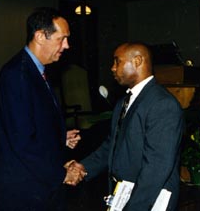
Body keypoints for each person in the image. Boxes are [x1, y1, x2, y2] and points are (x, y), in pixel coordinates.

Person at [65, 42, 185, 211]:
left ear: (137, 61)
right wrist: (84, 167)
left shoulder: (162, 104)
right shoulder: (124, 101)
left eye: (117, 61)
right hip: (124, 195)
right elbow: (112, 146)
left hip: (147, 201)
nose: (113, 68)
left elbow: (156, 168)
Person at [0, 7, 84, 211]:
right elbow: (22, 143)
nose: (67, 46)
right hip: (24, 192)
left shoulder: (36, 70)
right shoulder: (16, 75)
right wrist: (63, 174)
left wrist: (60, 137)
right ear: (40, 36)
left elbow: (32, 125)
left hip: (40, 185)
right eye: (62, 39)